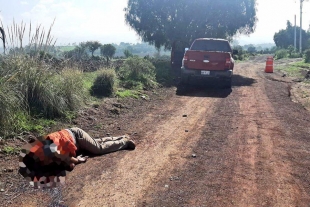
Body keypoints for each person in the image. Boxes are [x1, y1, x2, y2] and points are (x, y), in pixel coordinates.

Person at [19, 127, 135, 188]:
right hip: (72, 139)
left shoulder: (50, 150)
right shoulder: (37, 149)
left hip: (77, 135)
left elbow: (70, 163)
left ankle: (125, 142)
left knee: (98, 148)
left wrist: (79, 160)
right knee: (95, 143)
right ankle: (121, 137)